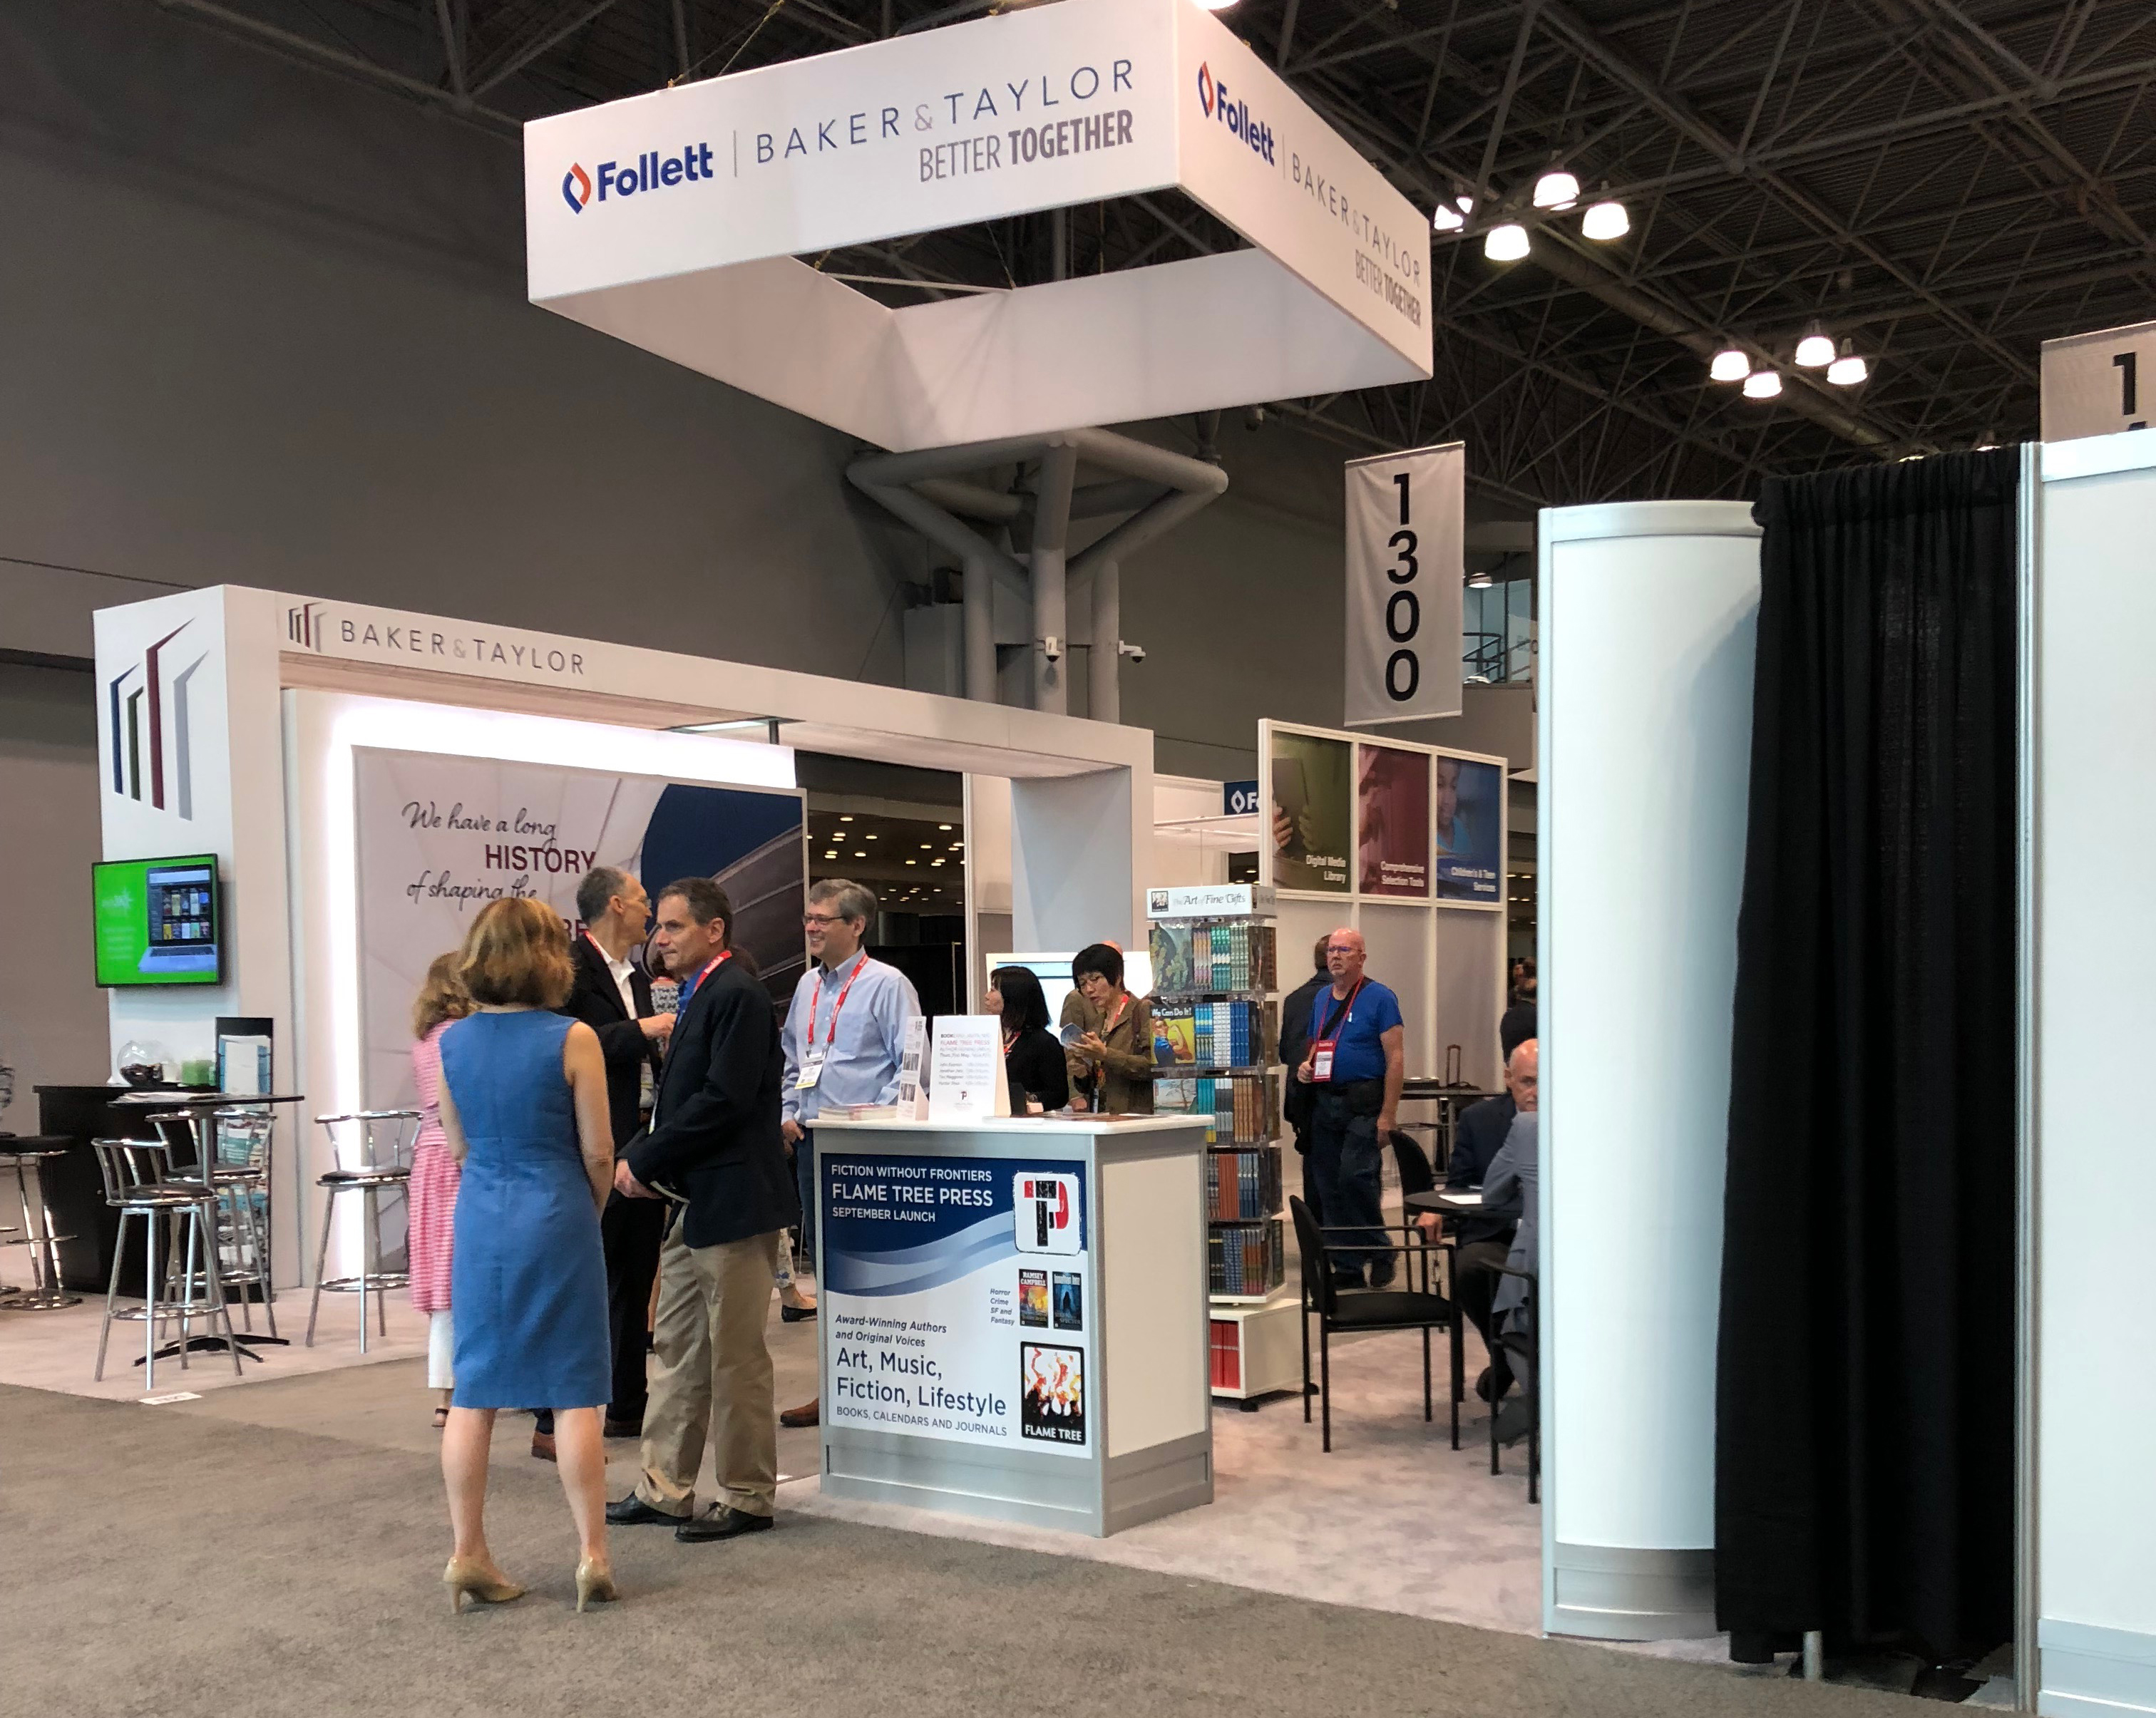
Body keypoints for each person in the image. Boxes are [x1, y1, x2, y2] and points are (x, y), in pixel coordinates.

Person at [435, 897, 618, 1614]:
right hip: (557, 1211)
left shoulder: (451, 1041)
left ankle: (467, 1549)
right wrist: (586, 1208)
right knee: (575, 1388)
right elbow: (599, 1150)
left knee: (473, 1387)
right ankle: (593, 1554)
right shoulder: (574, 1037)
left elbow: (458, 1146)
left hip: (481, 1217)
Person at [606, 878, 797, 1543]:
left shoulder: (736, 996)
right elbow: (678, 1102)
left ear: (715, 931)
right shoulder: (702, 995)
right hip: (694, 1202)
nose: (660, 938)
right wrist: (637, 1154)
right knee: (680, 1348)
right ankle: (664, 1488)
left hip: (736, 1202)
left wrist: (646, 1158)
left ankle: (747, 1495)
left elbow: (722, 1102)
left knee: (735, 1357)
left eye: (674, 927)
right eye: (658, 927)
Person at [528, 868, 672, 1461]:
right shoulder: (569, 971)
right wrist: (641, 1031)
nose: (651, 918)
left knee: (635, 1277)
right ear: (616, 905)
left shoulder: (639, 976)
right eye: (644, 904)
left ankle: (627, 1404)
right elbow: (571, 1043)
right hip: (590, 1143)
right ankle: (548, 1417)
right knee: (580, 1282)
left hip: (642, 1141)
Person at [776, 878, 920, 1430]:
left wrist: (872, 1119)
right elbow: (794, 1059)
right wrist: (787, 1110)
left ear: (856, 925)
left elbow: (911, 1067)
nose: (811, 927)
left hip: (868, 1148)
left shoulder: (887, 985)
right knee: (830, 1272)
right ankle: (837, 1387)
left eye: (823, 919)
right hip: (814, 1144)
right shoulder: (807, 987)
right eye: (808, 918)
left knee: (876, 1272)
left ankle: (887, 1387)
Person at [1417, 1039, 1535, 1401]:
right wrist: (1436, 1206)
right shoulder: (1479, 1120)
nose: (1537, 1092)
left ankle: (1519, 1363)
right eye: (1528, 1081)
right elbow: (1459, 1183)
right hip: (1495, 1233)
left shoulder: (1577, 1120)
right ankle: (1508, 1355)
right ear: (1508, 1079)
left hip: (1554, 1240)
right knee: (1470, 1268)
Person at [1294, 927, 1405, 1290]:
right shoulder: (1322, 998)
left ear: (1361, 957)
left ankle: (1380, 1249)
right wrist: (1305, 1067)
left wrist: (1388, 1115)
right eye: (1332, 951)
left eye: (1345, 950)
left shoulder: (1381, 997)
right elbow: (1317, 1044)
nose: (1336, 956)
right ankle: (1347, 1265)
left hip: (1364, 1104)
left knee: (1354, 1178)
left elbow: (1396, 1058)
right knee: (1328, 1185)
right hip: (1326, 1103)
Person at [408, 952, 473, 1430]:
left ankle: (442, 1392)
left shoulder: (425, 1040)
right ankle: (457, 1390)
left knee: (442, 1280)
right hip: (458, 1156)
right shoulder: (461, 1039)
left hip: (427, 1159)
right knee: (464, 1274)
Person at [1481, 1102, 1541, 1446]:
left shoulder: (1528, 1126)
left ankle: (1540, 1403)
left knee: (1515, 1326)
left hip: (1538, 1267)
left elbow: (1492, 1194)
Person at [1062, 942, 1154, 1116]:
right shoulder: (1099, 1021)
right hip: (1103, 1118)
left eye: (1095, 979)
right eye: (1082, 983)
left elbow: (1154, 1067)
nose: (1089, 989)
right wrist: (1082, 1073)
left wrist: (1106, 1054)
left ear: (1117, 977)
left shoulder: (1142, 1010)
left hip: (1135, 1121)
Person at [1276, 936, 1333, 1208]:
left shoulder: (1293, 999)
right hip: (1334, 1097)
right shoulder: (1354, 996)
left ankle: (1315, 1245)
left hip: (1301, 1098)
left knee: (1313, 1174)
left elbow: (1285, 1053)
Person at [987, 965, 1069, 1114]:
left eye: (993, 990)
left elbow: (1059, 1095)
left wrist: (1029, 1099)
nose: (987, 996)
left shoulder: (1044, 1043)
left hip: (1028, 1126)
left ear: (1012, 996)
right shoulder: (992, 1037)